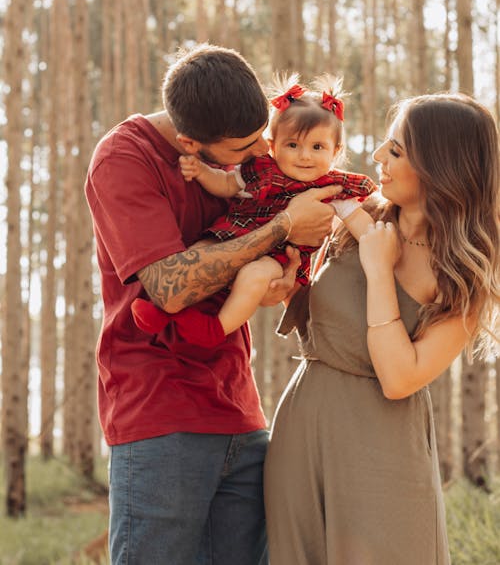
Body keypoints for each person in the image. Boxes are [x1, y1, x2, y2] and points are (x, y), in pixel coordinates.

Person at [84, 44, 338, 565]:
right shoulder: (123, 160)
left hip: (239, 412)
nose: (259, 156)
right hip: (159, 413)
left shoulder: (247, 159)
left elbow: (241, 261)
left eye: (260, 139)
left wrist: (278, 276)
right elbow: (169, 288)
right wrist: (281, 226)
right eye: (242, 150)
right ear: (189, 144)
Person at [264, 92, 500, 565]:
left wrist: (379, 271)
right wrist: (288, 285)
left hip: (384, 453)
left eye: (395, 151)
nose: (377, 158)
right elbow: (324, 321)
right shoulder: (358, 214)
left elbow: (399, 378)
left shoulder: (465, 275)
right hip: (303, 428)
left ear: (440, 166)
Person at [131, 75, 377, 347]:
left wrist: (381, 242)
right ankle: (163, 310)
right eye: (292, 145)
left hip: (277, 257)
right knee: (199, 253)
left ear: (336, 151)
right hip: (232, 234)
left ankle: (216, 328)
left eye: (317, 147)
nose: (304, 156)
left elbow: (358, 221)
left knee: (254, 278)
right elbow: (225, 184)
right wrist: (202, 172)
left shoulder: (332, 188)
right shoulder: (258, 170)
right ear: (273, 146)